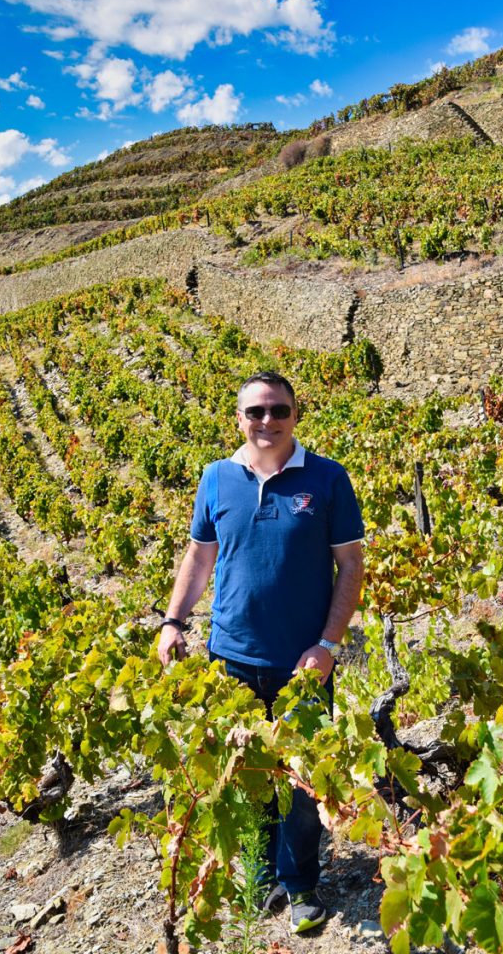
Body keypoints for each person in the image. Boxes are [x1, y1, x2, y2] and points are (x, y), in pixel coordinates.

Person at [158, 370, 364, 934]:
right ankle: (258, 875)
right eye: (256, 412)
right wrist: (174, 621)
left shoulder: (327, 479)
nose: (267, 421)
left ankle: (299, 884)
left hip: (304, 664)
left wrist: (328, 644)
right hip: (230, 659)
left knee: (300, 781)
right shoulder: (216, 478)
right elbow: (200, 558)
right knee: (246, 774)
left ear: (296, 414)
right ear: (240, 419)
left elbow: (351, 565)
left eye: (278, 410)